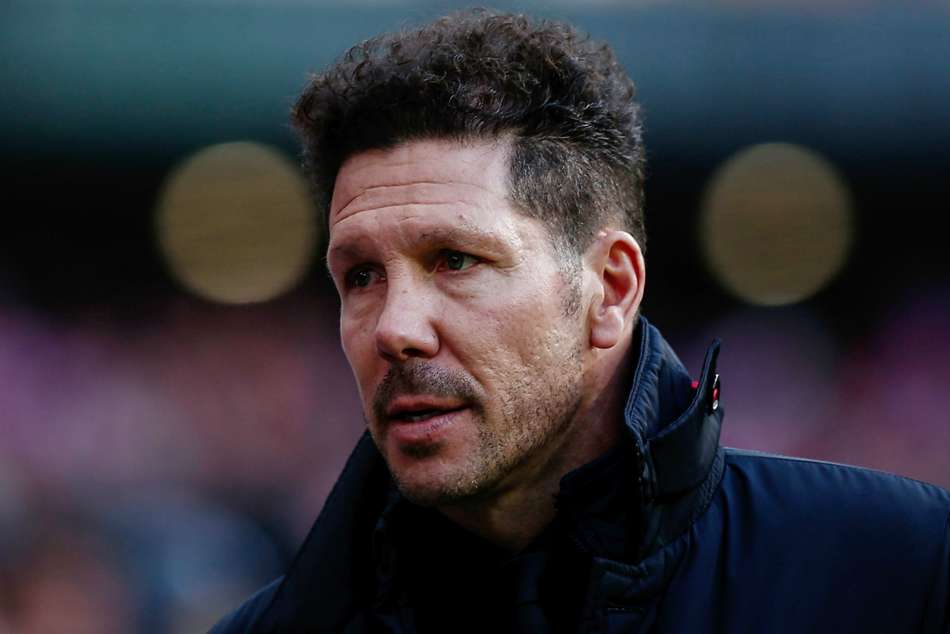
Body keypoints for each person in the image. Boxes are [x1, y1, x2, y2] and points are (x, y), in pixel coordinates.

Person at [211, 9, 950, 633]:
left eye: (456, 261)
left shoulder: (903, 567)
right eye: (361, 276)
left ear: (610, 289)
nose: (394, 329)